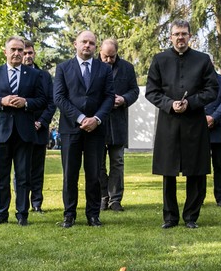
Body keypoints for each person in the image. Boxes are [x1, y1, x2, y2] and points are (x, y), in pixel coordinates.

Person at [145, 20, 218, 229]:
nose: (180, 38)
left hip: (194, 122)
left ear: (190, 36)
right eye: (176, 34)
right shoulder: (159, 60)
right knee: (168, 172)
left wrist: (191, 103)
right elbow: (151, 91)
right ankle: (170, 217)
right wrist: (169, 104)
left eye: (184, 34)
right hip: (168, 122)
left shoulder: (203, 60)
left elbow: (212, 90)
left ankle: (191, 216)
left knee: (196, 171)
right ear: (170, 37)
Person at [0, 36, 47, 226]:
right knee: (1, 176)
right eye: (13, 50)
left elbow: (42, 100)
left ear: (25, 52)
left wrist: (26, 103)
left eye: (20, 50)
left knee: (24, 176)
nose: (17, 53)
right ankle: (1, 214)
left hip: (25, 131)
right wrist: (1, 101)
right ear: (5, 52)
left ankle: (22, 214)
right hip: (1, 131)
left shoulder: (34, 75)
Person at [53, 30, 115, 228]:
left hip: (96, 131)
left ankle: (93, 215)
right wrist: (81, 118)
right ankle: (69, 215)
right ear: (75, 44)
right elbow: (59, 98)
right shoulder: (63, 68)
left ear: (96, 47)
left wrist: (96, 119)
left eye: (91, 43)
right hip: (71, 129)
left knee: (95, 174)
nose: (87, 45)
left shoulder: (104, 69)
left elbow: (109, 97)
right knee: (70, 174)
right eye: (84, 42)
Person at [97, 38, 139, 212]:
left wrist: (124, 99)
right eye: (106, 56)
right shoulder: (92, 66)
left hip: (118, 122)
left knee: (117, 162)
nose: (108, 60)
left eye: (112, 57)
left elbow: (134, 91)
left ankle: (115, 199)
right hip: (98, 122)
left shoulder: (127, 68)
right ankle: (102, 197)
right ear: (100, 52)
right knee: (98, 163)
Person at [22, 40, 56, 213]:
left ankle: (37, 203)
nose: (27, 56)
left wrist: (41, 122)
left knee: (37, 169)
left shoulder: (44, 76)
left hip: (40, 129)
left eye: (30, 53)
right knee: (21, 168)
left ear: (34, 54)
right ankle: (22, 204)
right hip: (20, 128)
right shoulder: (15, 75)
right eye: (25, 53)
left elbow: (52, 102)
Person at [203, 67, 221, 208]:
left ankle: (220, 197)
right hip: (199, 128)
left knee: (219, 166)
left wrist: (213, 117)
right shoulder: (196, 81)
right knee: (200, 166)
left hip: (218, 128)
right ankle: (198, 197)